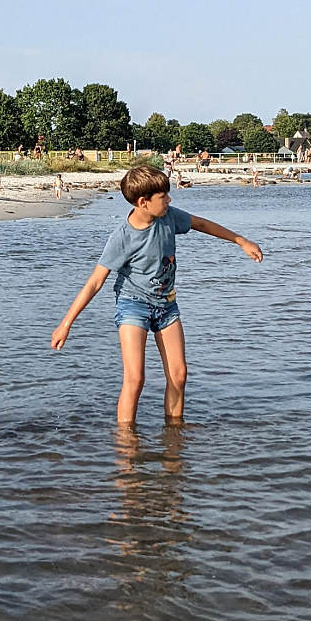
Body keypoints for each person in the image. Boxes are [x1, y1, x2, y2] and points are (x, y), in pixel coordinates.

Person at [50, 162, 262, 426]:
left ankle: (174, 437)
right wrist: (65, 324)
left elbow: (201, 224)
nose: (169, 200)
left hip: (167, 305)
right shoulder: (122, 238)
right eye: (163, 197)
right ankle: (126, 446)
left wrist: (241, 240)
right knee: (135, 378)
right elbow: (95, 282)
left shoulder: (169, 217)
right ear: (143, 202)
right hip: (132, 305)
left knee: (179, 374)